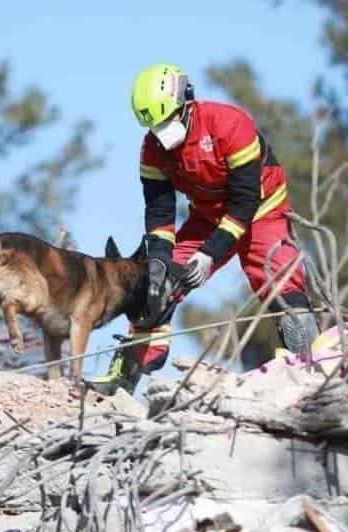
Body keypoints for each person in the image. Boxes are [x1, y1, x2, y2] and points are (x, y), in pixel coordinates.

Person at [88, 64, 319, 396]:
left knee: (281, 279)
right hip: (207, 217)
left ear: (187, 103)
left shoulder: (230, 125)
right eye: (154, 126)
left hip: (262, 210)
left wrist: (209, 254)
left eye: (167, 121)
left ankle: (311, 366)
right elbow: (159, 209)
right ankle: (125, 374)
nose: (162, 132)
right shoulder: (152, 149)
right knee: (154, 284)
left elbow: (245, 200)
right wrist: (161, 260)